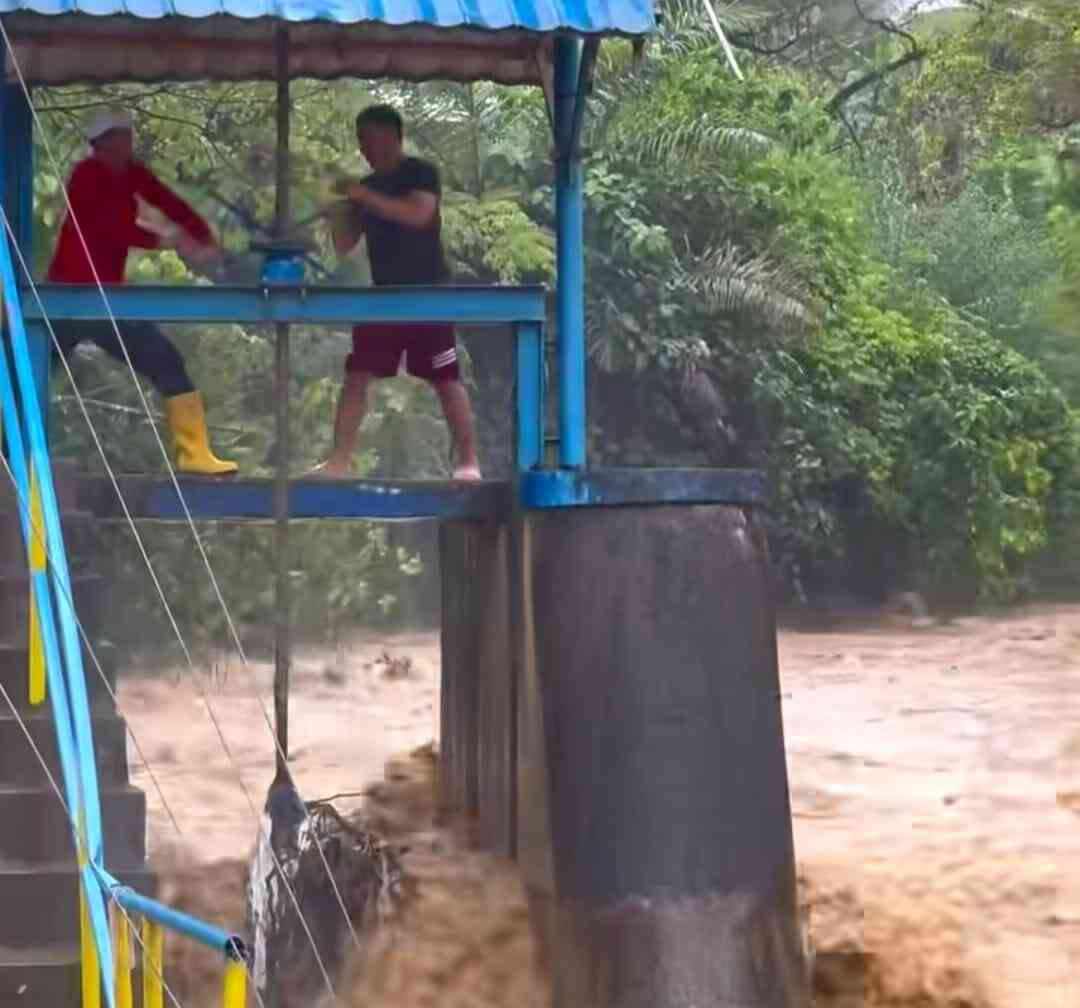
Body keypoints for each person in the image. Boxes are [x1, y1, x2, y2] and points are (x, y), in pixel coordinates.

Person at [47, 107, 237, 476]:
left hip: (107, 299)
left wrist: (203, 237)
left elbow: (170, 203)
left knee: (164, 360)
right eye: (116, 140)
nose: (124, 147)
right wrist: (167, 240)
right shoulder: (86, 176)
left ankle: (195, 454)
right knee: (32, 371)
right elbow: (110, 228)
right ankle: (7, 449)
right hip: (70, 297)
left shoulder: (133, 174)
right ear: (99, 145)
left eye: (127, 139)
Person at [313, 105, 481, 481]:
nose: (368, 148)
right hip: (384, 295)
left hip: (429, 292)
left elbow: (418, 215)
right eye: (362, 141)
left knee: (444, 377)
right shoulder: (367, 187)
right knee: (358, 373)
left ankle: (468, 463)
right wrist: (337, 210)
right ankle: (339, 461)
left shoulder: (420, 173)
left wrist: (362, 196)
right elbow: (344, 245)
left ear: (394, 137)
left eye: (373, 139)